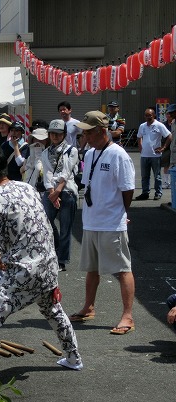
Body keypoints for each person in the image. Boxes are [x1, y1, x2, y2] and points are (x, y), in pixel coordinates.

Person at [0, 144, 83, 401]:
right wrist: (6, 254)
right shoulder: (26, 187)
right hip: (47, 265)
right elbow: (34, 226)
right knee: (52, 309)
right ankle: (73, 357)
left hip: (23, 273)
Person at [69, 111, 136, 335]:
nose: (84, 135)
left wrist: (121, 212)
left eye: (87, 131)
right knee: (91, 268)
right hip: (91, 220)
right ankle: (88, 307)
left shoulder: (118, 154)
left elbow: (128, 189)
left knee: (122, 269)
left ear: (101, 130)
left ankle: (127, 315)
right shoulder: (89, 154)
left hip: (110, 222)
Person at [41, 119, 79, 271]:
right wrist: (52, 192)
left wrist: (57, 192)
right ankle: (49, 256)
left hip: (67, 191)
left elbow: (67, 172)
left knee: (65, 228)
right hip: (51, 192)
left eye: (58, 134)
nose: (55, 137)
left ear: (64, 134)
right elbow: (47, 174)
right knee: (45, 225)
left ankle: (61, 260)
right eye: (52, 134)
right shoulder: (45, 152)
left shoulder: (72, 150)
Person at [135, 108, 172, 201]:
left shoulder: (159, 125)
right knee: (144, 176)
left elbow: (169, 136)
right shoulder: (142, 126)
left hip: (155, 156)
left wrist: (163, 148)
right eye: (146, 115)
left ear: (154, 115)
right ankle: (145, 193)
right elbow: (139, 136)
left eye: (150, 115)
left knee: (157, 176)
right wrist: (140, 146)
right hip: (144, 155)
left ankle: (158, 193)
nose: (148, 117)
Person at [21, 128, 48, 193]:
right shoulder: (29, 155)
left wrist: (38, 152)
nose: (38, 142)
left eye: (42, 140)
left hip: (40, 191)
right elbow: (23, 169)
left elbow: (38, 168)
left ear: (47, 141)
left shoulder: (49, 156)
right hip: (26, 189)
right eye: (36, 139)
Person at [165, 103, 176, 194]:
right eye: (169, 113)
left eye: (172, 112)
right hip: (173, 154)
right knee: (174, 177)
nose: (170, 114)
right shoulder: (173, 123)